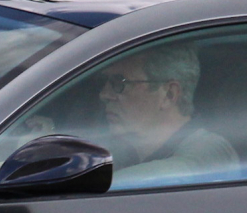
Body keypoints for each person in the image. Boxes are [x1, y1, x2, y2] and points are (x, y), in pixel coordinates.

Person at [100, 42, 237, 185]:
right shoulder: (121, 150)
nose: (104, 94)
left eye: (119, 83)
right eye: (105, 82)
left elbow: (183, 171)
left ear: (169, 94)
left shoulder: (212, 150)